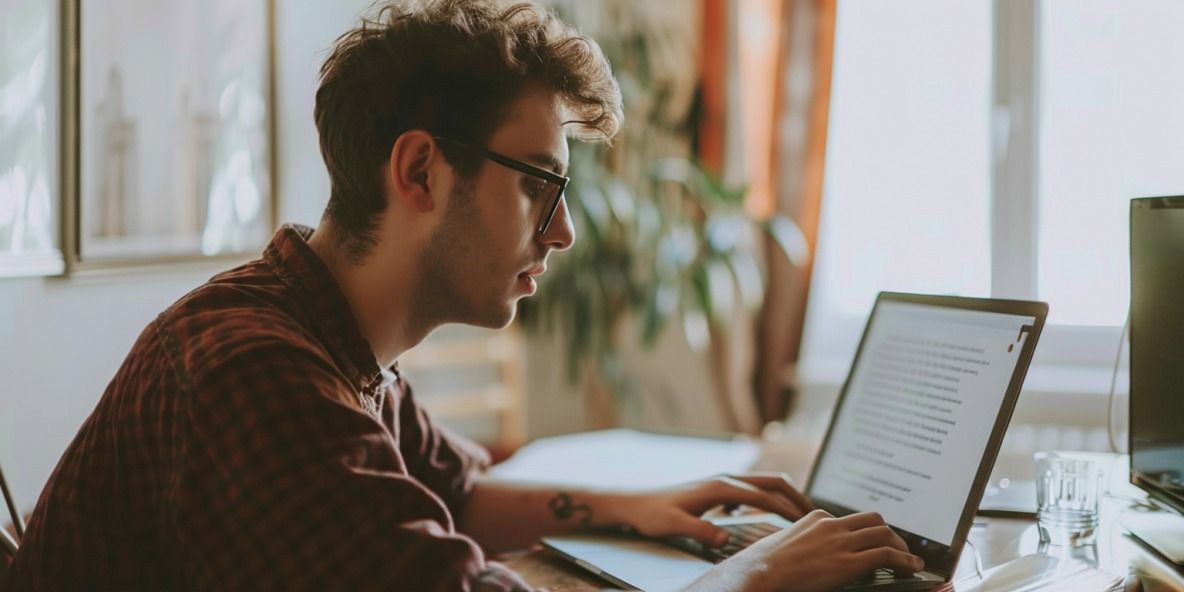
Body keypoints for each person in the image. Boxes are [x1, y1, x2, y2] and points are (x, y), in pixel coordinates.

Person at [6, 1, 923, 590]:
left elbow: (462, 495)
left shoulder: (327, 338)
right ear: (420, 170)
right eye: (540, 185)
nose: (560, 233)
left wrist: (636, 506)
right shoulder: (256, 377)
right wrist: (751, 580)